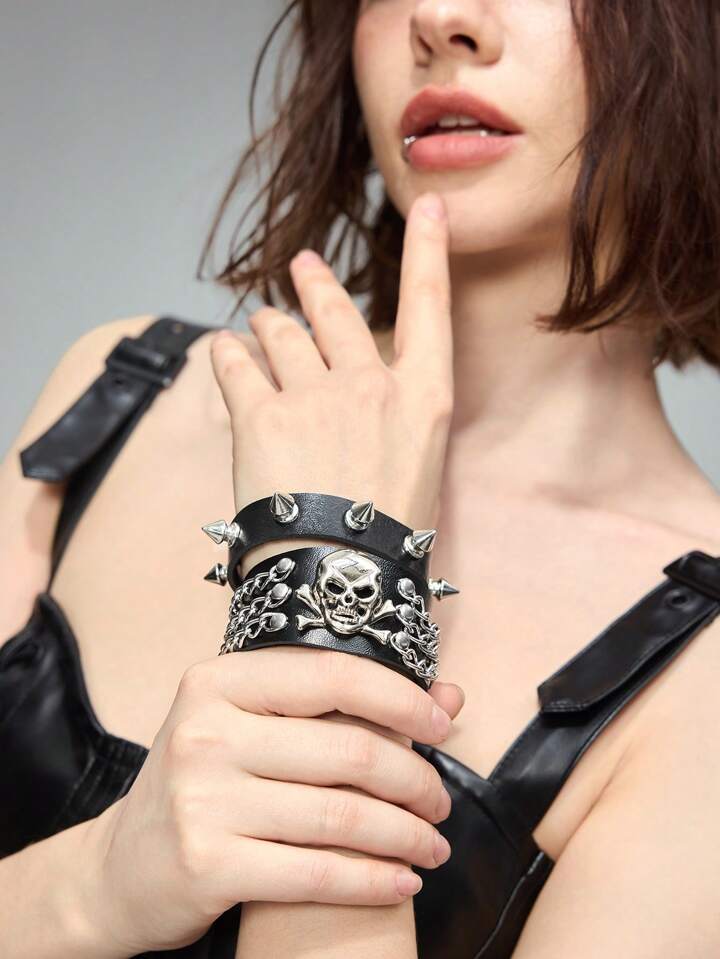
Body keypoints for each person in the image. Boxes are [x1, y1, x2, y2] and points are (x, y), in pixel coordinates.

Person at [2, 1, 720, 957]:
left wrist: (341, 553)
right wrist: (95, 884)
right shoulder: (122, 388)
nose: (442, 18)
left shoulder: (704, 681)